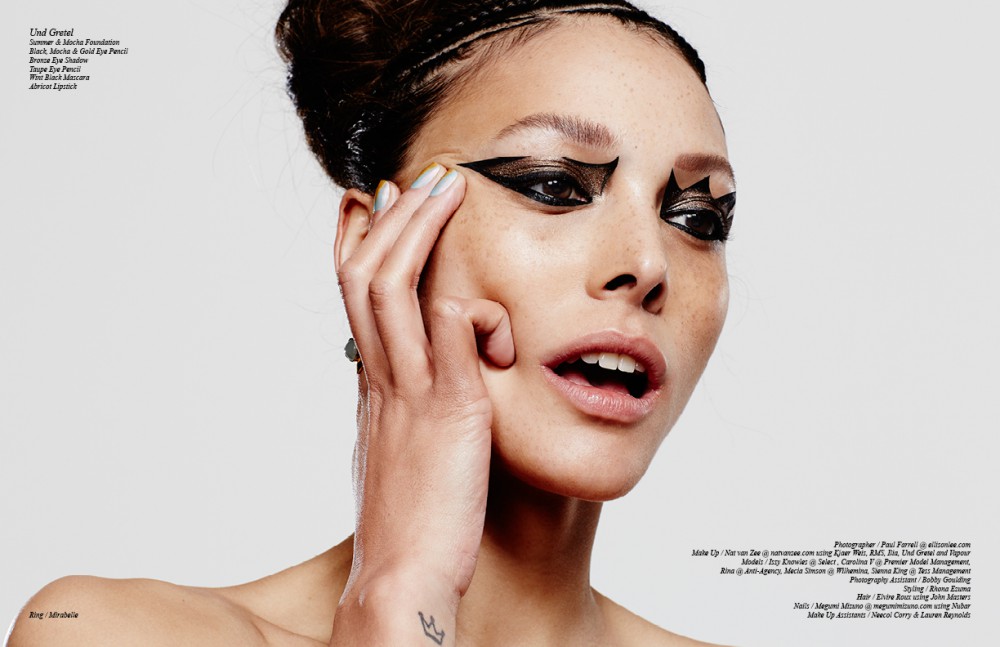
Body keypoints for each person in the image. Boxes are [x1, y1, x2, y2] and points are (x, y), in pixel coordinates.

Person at [7, 1, 736, 645]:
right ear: (371, 240)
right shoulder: (105, 633)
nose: (649, 264)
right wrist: (401, 591)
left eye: (699, 219)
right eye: (554, 185)